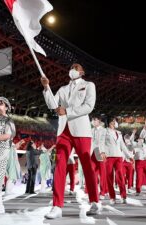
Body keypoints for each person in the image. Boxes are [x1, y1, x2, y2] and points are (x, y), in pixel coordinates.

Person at [41, 63, 101, 219]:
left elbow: (89, 106)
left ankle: (94, 201)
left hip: (81, 130)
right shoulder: (62, 89)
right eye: (71, 67)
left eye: (76, 67)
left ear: (81, 72)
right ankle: (57, 206)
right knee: (59, 166)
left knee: (87, 166)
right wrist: (47, 88)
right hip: (63, 131)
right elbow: (51, 105)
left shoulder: (88, 85)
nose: (72, 68)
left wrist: (67, 111)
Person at [99, 117, 133, 204]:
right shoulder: (104, 131)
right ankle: (112, 197)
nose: (115, 122)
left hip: (118, 156)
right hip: (108, 156)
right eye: (113, 120)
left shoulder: (119, 133)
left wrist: (129, 156)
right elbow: (101, 142)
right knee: (109, 178)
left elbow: (123, 146)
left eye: (115, 121)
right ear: (109, 122)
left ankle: (123, 196)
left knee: (120, 176)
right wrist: (102, 152)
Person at [90, 116, 108, 199]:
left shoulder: (104, 130)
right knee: (92, 173)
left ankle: (103, 192)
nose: (93, 121)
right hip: (92, 153)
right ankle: (94, 192)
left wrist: (104, 152)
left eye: (95, 119)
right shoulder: (91, 130)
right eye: (92, 120)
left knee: (102, 174)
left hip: (101, 152)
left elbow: (106, 142)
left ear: (99, 121)